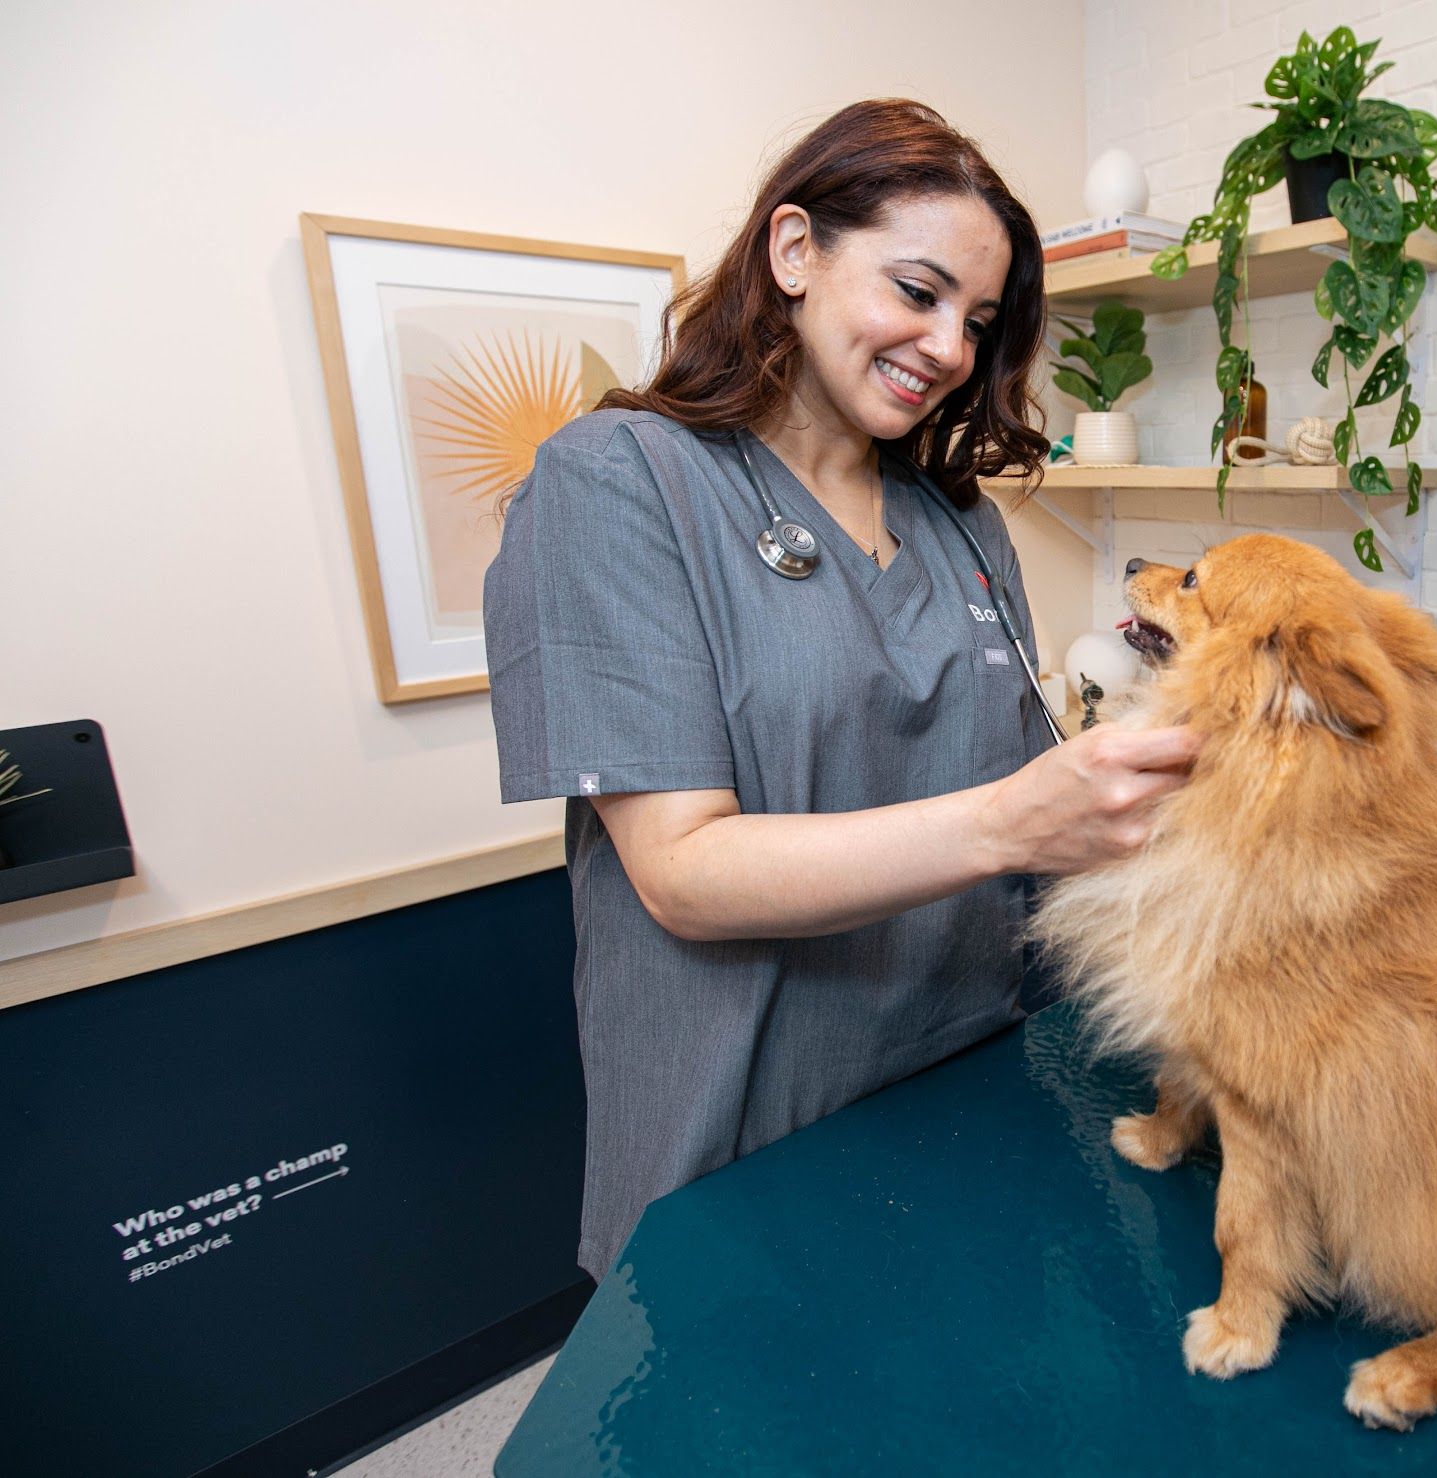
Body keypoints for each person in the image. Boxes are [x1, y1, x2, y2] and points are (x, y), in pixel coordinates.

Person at [483, 99, 1201, 1282]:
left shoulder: (957, 521)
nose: (951, 349)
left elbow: (1031, 821)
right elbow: (681, 872)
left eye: (976, 321)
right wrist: (1007, 818)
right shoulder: (619, 484)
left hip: (971, 1091)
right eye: (917, 292)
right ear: (795, 251)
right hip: (749, 1132)